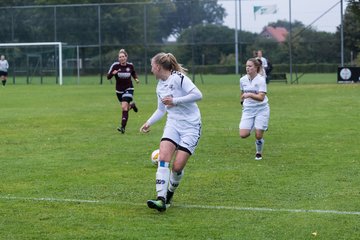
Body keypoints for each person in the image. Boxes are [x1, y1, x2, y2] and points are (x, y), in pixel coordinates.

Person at [140, 52, 202, 212]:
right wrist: (148, 122)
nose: (151, 69)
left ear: (158, 67)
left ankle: (169, 194)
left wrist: (175, 101)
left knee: (177, 167)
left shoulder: (178, 78)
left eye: (152, 66)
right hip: (173, 124)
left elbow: (198, 95)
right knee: (163, 157)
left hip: (191, 126)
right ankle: (160, 199)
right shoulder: (159, 85)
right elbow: (161, 109)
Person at [239, 58, 270, 160]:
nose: (247, 68)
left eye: (250, 66)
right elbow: (242, 92)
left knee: (258, 135)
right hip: (248, 110)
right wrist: (242, 101)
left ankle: (258, 152)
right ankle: (255, 125)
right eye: (246, 66)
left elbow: (261, 98)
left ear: (256, 67)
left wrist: (250, 95)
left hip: (261, 109)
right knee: (243, 135)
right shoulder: (242, 80)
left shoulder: (261, 80)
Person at [107, 49, 139, 134]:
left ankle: (122, 127)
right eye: (120, 57)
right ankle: (132, 105)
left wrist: (136, 79)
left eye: (123, 56)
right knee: (126, 108)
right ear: (118, 58)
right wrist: (113, 74)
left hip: (129, 88)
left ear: (126, 57)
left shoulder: (130, 66)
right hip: (119, 91)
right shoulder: (115, 66)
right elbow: (108, 77)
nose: (122, 58)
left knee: (124, 107)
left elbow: (133, 73)